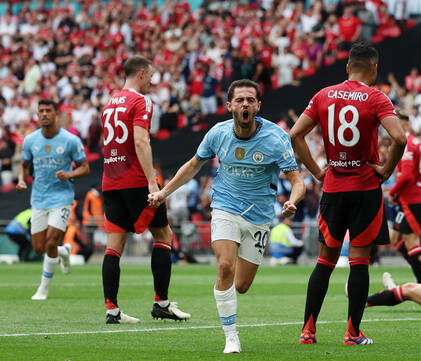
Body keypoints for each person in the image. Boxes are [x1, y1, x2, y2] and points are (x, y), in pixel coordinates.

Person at [148, 79, 305, 353]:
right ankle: (231, 336)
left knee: (242, 285)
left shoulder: (276, 137)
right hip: (225, 207)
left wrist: (292, 201)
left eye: (250, 100)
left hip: (259, 215)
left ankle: (228, 298)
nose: (245, 104)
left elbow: (297, 180)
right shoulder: (218, 133)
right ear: (229, 105)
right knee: (224, 267)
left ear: (258, 106)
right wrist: (163, 193)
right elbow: (192, 166)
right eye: (240, 100)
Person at [289, 41, 406, 345]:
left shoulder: (324, 95)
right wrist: (387, 170)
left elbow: (295, 134)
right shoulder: (376, 97)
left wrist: (316, 170)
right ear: (374, 68)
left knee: (325, 261)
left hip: (333, 188)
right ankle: (352, 333)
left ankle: (308, 331)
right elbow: (400, 138)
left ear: (347, 67)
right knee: (359, 261)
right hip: (365, 187)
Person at [101, 55, 190, 325]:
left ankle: (112, 309)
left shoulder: (109, 103)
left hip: (110, 180)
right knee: (164, 234)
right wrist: (153, 182)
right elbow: (141, 141)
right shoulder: (141, 101)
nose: (153, 80)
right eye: (151, 75)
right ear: (140, 73)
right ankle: (161, 304)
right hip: (136, 179)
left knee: (113, 246)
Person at [17, 99, 90, 300]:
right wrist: (22, 181)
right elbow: (23, 165)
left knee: (50, 241)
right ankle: (64, 252)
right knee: (39, 248)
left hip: (62, 196)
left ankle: (43, 289)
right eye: (41, 111)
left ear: (56, 114)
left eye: (48, 110)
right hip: (39, 198)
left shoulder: (70, 140)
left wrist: (69, 175)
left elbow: (85, 167)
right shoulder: (31, 140)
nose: (44, 114)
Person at [388, 111, 421, 284]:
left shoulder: (406, 143)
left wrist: (392, 192)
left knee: (410, 239)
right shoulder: (415, 142)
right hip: (411, 198)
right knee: (395, 238)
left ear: (403, 124)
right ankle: (419, 271)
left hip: (412, 199)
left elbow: (407, 176)